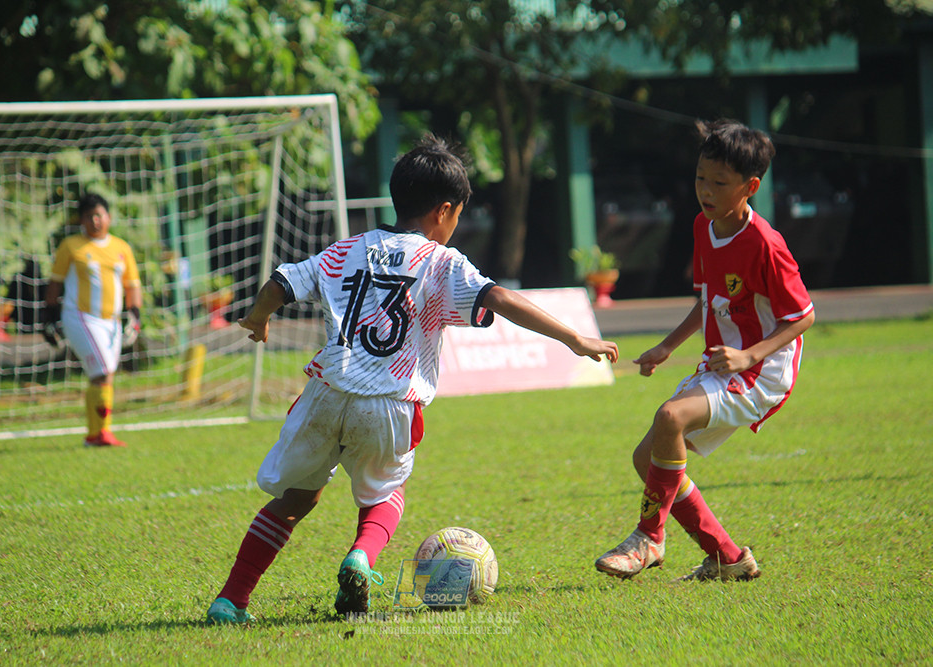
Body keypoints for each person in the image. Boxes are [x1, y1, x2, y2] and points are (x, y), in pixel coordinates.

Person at [206, 135, 620, 624]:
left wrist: (258, 318)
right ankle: (361, 556)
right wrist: (574, 338)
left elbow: (283, 281)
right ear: (445, 211)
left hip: (325, 393)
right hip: (389, 404)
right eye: (459, 215)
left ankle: (231, 600)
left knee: (294, 500)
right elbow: (500, 299)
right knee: (385, 494)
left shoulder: (348, 248)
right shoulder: (441, 262)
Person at [595, 119, 815, 582]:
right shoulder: (704, 226)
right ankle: (728, 557)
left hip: (762, 369)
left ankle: (649, 538)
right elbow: (707, 299)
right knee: (648, 456)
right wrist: (666, 346)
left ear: (750, 186)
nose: (705, 191)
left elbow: (802, 317)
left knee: (670, 418)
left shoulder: (765, 244)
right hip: (723, 360)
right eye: (700, 178)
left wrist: (749, 355)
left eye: (719, 183)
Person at [43, 193, 142, 448]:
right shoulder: (72, 246)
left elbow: (132, 286)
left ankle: (94, 434)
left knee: (100, 376)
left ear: (108, 217)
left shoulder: (121, 248)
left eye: (99, 215)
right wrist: (49, 317)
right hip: (80, 316)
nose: (95, 221)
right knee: (103, 372)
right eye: (89, 216)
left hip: (111, 323)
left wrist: (135, 315)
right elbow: (54, 283)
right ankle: (102, 433)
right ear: (81, 220)